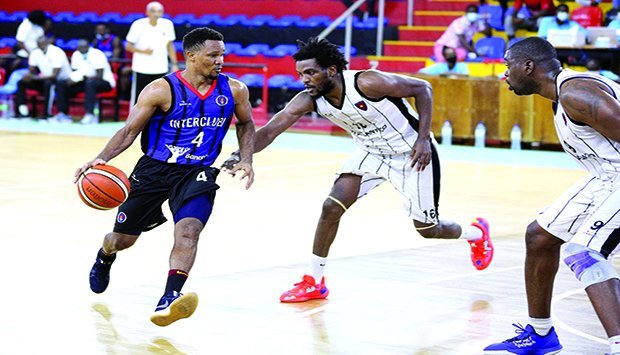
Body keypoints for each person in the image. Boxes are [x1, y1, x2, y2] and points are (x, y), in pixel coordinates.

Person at [222, 37, 494, 303]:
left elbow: (423, 88)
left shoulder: (367, 82)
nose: (304, 79)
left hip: (412, 153)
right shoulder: (309, 99)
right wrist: (241, 155)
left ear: (331, 70)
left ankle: (476, 234)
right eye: (301, 74)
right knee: (331, 207)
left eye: (310, 73)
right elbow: (270, 131)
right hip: (371, 153)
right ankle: (315, 281)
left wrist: (423, 139)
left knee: (427, 228)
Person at [74, 27, 255, 326]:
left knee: (188, 231)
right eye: (213, 55)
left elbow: (246, 124)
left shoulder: (235, 89)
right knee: (122, 240)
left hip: (197, 172)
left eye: (222, 54)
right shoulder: (161, 89)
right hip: (154, 171)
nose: (220, 60)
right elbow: (129, 131)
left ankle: (169, 297)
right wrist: (101, 158)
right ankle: (105, 255)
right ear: (192, 56)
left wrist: (246, 158)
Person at [484, 37, 620, 355]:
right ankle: (541, 335)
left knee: (583, 251)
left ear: (528, 66)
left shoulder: (577, 94)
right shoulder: (563, 93)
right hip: (605, 175)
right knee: (540, 236)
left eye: (508, 66)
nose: (504, 74)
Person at [125, 1, 178, 106]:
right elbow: (128, 46)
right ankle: (135, 121)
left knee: (160, 98)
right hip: (141, 68)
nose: (156, 14)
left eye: (159, 11)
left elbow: (170, 46)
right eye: (153, 11)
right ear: (147, 12)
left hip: (161, 68)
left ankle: (156, 122)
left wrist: (174, 64)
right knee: (139, 99)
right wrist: (143, 51)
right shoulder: (138, 24)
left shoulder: (167, 24)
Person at [53, 39, 116, 124]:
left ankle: (89, 115)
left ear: (88, 46)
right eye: (80, 47)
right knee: (62, 83)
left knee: (90, 83)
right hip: (84, 81)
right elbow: (75, 71)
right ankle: (63, 114)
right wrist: (73, 79)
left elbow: (99, 75)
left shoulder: (97, 54)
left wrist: (80, 77)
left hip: (104, 82)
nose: (82, 49)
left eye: (84, 47)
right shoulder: (76, 55)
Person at [15, 36, 71, 119]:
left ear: (47, 43)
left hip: (61, 81)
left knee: (48, 84)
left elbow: (54, 76)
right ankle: (23, 112)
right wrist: (28, 76)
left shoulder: (56, 52)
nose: (42, 46)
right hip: (44, 79)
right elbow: (31, 70)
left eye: (43, 44)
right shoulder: (35, 52)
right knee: (21, 82)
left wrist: (34, 77)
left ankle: (46, 114)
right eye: (39, 44)